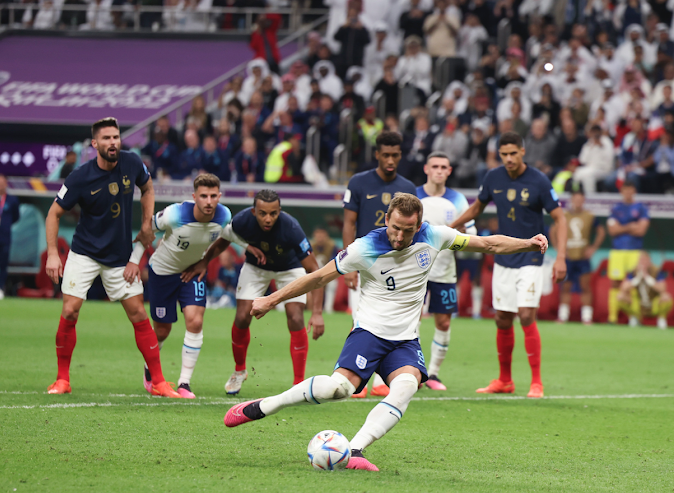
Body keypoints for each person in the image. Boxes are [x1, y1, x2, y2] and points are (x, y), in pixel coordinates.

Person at [224, 193, 549, 471]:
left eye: (407, 230)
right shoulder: (364, 248)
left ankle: (354, 450)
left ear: (418, 225)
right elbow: (318, 278)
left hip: (405, 339)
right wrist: (271, 298)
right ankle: (266, 405)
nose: (399, 236)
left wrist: (529, 243)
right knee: (337, 390)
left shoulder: (435, 236)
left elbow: (488, 244)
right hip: (369, 333)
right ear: (386, 220)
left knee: (408, 385)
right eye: (395, 228)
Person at [44, 117, 178, 398]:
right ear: (95, 144)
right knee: (70, 311)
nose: (112, 142)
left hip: (119, 257)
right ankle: (62, 380)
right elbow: (53, 213)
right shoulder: (80, 177)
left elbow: (148, 186)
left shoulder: (131, 162)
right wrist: (54, 255)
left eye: (115, 137)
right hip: (84, 254)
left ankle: (159, 383)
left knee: (139, 314)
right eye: (106, 138)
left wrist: (145, 223)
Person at [451, 132, 567, 398]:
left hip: (531, 256)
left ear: (522, 152)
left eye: (513, 153)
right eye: (504, 154)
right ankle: (505, 381)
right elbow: (476, 209)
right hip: (503, 257)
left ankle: (536, 382)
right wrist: (448, 228)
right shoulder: (493, 177)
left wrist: (560, 257)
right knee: (503, 319)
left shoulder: (538, 180)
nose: (509, 158)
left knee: (526, 314)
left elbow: (560, 218)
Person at [182, 190, 325, 395]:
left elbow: (314, 271)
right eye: (262, 213)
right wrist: (204, 262)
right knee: (242, 317)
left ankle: (298, 384)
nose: (268, 219)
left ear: (279, 211)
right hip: (256, 268)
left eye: (273, 214)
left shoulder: (292, 228)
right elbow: (223, 240)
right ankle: (239, 371)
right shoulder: (241, 221)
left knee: (295, 317)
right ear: (253, 211)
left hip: (290, 269)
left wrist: (318, 312)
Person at [135, 174, 262, 399]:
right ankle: (150, 369)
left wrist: (248, 246)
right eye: (203, 196)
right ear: (194, 197)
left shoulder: (223, 214)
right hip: (162, 273)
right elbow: (147, 230)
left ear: (219, 196)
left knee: (195, 321)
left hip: (192, 273)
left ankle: (185, 383)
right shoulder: (175, 214)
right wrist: (133, 261)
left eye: (214, 196)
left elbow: (228, 231)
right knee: (162, 330)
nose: (209, 201)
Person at [342, 131, 417, 398]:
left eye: (395, 155)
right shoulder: (359, 182)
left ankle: (380, 382)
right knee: (361, 321)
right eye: (385, 154)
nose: (390, 160)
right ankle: (356, 378)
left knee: (392, 322)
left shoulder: (408, 187)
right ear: (377, 154)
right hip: (365, 264)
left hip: (397, 266)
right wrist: (350, 265)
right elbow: (349, 222)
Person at [416, 152, 474, 391]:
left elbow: (472, 233)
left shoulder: (458, 200)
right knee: (411, 321)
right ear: (426, 169)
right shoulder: (413, 195)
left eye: (444, 167)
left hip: (444, 270)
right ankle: (413, 371)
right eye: (435, 166)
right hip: (415, 271)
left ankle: (434, 374)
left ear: (449, 171)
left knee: (443, 322)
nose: (439, 170)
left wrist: (461, 231)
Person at [553, 189, 605, 324]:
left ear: (583, 201)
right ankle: (563, 316)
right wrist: (560, 249)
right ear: (571, 200)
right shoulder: (564, 215)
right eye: (575, 199)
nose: (577, 202)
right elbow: (553, 231)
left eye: (580, 199)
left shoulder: (589, 216)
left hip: (583, 257)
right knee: (565, 286)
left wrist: (593, 248)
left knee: (585, 286)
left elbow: (601, 231)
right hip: (568, 258)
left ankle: (587, 317)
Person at [606, 181, 650, 324]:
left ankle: (635, 317)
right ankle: (612, 318)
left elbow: (641, 230)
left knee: (635, 283)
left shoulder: (641, 208)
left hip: (634, 252)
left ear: (634, 191)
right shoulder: (616, 208)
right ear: (622, 191)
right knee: (615, 283)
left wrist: (622, 227)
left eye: (630, 190)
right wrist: (631, 226)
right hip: (618, 251)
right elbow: (612, 230)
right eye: (625, 190)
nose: (628, 193)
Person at [618, 252, 672, 329]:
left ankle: (661, 319)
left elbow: (662, 289)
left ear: (649, 261)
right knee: (620, 296)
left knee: (667, 297)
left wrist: (647, 277)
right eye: (641, 260)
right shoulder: (633, 271)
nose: (643, 263)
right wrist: (637, 279)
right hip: (639, 303)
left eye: (645, 260)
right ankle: (634, 317)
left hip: (653, 302)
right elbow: (623, 288)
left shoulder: (656, 271)